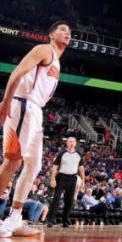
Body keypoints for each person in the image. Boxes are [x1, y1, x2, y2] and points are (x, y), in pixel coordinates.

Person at [0, 21, 71, 236]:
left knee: (33, 165)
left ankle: (15, 217)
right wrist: (6, 100)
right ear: (51, 34)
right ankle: (10, 218)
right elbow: (18, 72)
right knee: (13, 161)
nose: (67, 33)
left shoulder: (57, 62)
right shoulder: (43, 49)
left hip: (34, 110)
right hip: (23, 103)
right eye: (62, 29)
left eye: (69, 32)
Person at [46, 137, 86, 227]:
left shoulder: (79, 154)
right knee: (56, 198)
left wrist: (83, 180)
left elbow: (81, 168)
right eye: (70, 141)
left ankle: (65, 221)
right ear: (67, 143)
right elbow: (55, 166)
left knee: (69, 201)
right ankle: (50, 220)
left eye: (73, 141)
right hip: (61, 177)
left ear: (75, 143)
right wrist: (53, 179)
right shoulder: (62, 153)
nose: (71, 143)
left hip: (72, 178)